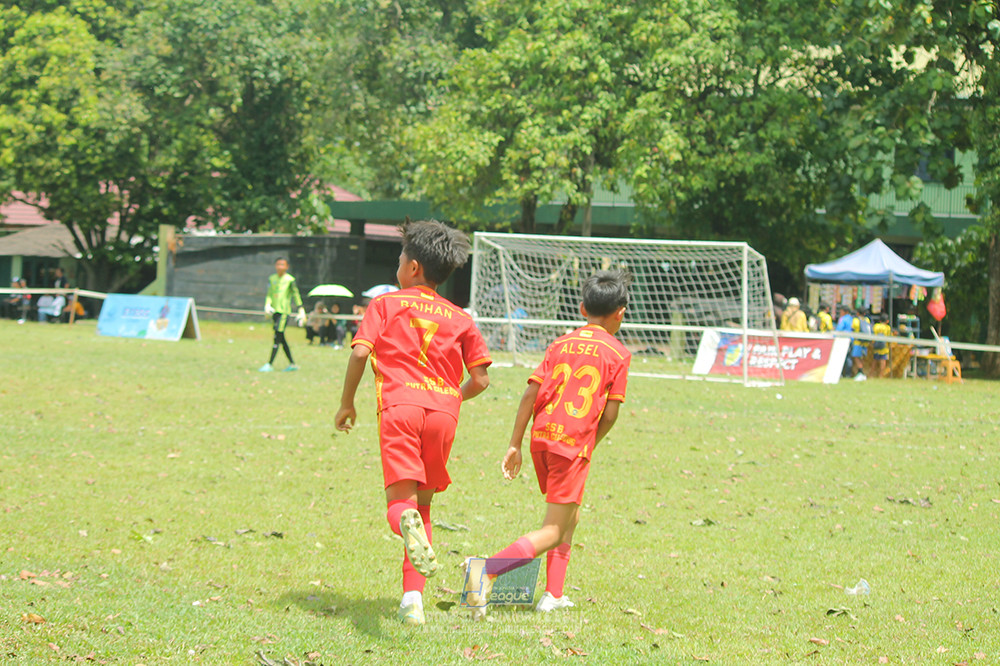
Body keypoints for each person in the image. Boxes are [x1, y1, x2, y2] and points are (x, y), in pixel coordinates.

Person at [334, 220, 492, 626]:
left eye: (400, 257)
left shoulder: (385, 305)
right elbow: (481, 379)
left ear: (414, 267)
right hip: (444, 413)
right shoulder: (460, 317)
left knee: (402, 508)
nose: (397, 264)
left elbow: (357, 355)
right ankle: (412, 602)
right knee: (424, 506)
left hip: (400, 407)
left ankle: (402, 526)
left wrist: (347, 403)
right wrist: (451, 396)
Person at [464, 270, 631, 619]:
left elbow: (530, 393)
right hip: (572, 445)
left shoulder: (559, 344)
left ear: (583, 308)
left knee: (569, 514)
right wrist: (590, 442)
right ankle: (487, 570)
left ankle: (553, 595)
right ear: (621, 313)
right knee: (553, 529)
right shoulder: (618, 353)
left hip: (542, 438)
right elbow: (611, 413)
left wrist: (515, 443)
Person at [259, 258, 306, 372]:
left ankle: (269, 364)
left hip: (284, 312)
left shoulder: (290, 280)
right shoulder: (272, 279)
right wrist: (267, 305)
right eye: (278, 264)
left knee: (277, 336)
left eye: (282, 264)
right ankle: (292, 364)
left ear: (287, 266)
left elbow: (296, 294)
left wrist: (301, 309)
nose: (280, 267)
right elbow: (269, 294)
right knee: (281, 338)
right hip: (275, 312)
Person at [872, 312, 892, 378]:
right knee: (882, 361)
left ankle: (871, 374)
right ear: (887, 321)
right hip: (884, 347)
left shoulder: (876, 326)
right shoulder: (887, 328)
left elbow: (873, 335)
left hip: (876, 346)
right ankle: (881, 375)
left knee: (874, 361)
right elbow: (889, 337)